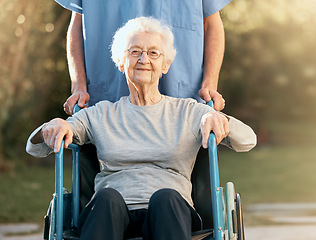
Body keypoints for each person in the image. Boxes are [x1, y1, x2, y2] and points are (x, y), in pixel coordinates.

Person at [26, 17, 256, 240]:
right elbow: (35, 148)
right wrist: (55, 125)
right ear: (121, 61)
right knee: (106, 199)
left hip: (172, 214)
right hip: (110, 214)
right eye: (134, 51)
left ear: (165, 65)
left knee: (166, 198)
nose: (144, 59)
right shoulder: (101, 113)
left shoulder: (188, 111)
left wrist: (219, 119)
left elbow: (248, 140)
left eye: (154, 53)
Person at [55, 0, 231, 208]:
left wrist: (210, 84)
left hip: (183, 95)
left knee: (187, 197)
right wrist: (78, 85)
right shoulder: (99, 113)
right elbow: (77, 23)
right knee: (103, 195)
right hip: (108, 96)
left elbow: (211, 23)